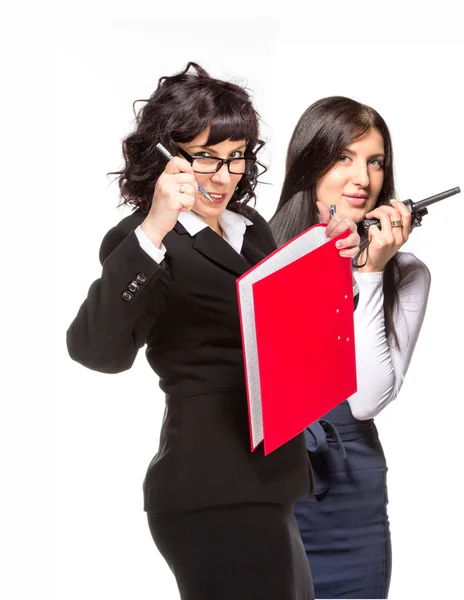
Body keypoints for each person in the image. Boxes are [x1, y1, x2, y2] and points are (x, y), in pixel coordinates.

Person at [66, 64, 361, 600]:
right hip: (210, 489)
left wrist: (329, 259)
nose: (224, 177)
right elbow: (96, 350)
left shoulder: (250, 227)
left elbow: (289, 331)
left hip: (271, 481)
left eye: (236, 157)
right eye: (205, 157)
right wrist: (154, 225)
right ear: (166, 156)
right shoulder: (144, 241)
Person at [269, 96, 431, 599]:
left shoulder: (406, 274)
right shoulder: (258, 254)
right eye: (344, 157)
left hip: (350, 498)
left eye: (375, 161)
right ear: (310, 162)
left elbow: (366, 400)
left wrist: (371, 273)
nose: (362, 177)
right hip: (267, 490)